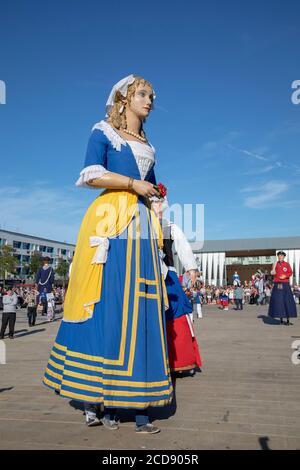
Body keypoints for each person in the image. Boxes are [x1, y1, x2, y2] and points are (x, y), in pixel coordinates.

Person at [42, 75, 173, 434]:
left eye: (152, 95)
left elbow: (153, 187)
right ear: (125, 97)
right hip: (109, 220)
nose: (150, 100)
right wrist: (133, 184)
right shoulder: (103, 132)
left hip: (142, 224)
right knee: (105, 301)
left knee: (141, 304)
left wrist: (156, 203)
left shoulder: (149, 144)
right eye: (143, 94)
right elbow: (91, 175)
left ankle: (133, 398)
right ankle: (93, 397)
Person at [151, 199, 202, 376]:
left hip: (168, 277)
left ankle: (179, 361)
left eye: (159, 203)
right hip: (146, 276)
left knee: (176, 313)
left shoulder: (169, 226)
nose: (156, 206)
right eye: (153, 203)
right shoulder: (138, 226)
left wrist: (191, 267)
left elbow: (182, 244)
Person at [268, 251, 297, 325]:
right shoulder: (275, 264)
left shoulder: (287, 264)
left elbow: (290, 272)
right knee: (279, 302)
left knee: (287, 301)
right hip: (278, 284)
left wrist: (285, 276)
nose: (280, 257)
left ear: (284, 257)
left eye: (281, 255)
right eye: (279, 255)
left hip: (285, 284)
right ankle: (280, 319)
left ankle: (287, 320)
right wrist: (272, 271)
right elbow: (272, 273)